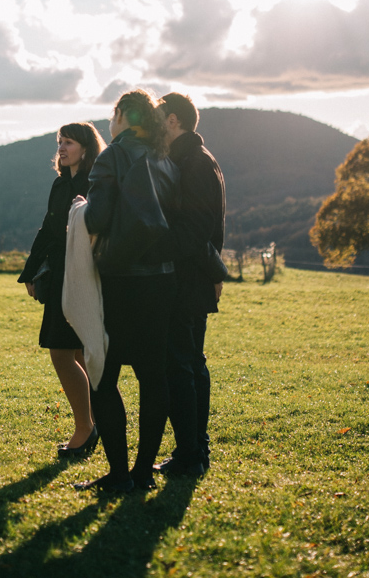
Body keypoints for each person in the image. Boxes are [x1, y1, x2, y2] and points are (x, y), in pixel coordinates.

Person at [76, 89, 179, 493]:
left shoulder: (113, 155)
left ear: (120, 114)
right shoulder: (164, 159)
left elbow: (98, 215)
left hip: (121, 279)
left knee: (104, 375)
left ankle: (118, 473)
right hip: (163, 278)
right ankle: (143, 471)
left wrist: (80, 210)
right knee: (154, 375)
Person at [17, 123, 106, 459]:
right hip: (58, 276)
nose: (62, 148)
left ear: (86, 147)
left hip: (83, 277)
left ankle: (85, 428)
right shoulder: (60, 184)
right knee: (77, 352)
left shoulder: (95, 183)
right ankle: (93, 424)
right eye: (59, 142)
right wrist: (29, 270)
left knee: (62, 352)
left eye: (69, 142)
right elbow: (48, 229)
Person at [154, 93, 226, 477]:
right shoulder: (192, 159)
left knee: (180, 366)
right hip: (193, 278)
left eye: (157, 117)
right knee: (190, 365)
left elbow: (196, 231)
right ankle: (195, 450)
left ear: (172, 121)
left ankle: (191, 454)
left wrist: (152, 248)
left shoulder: (194, 164)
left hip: (186, 280)